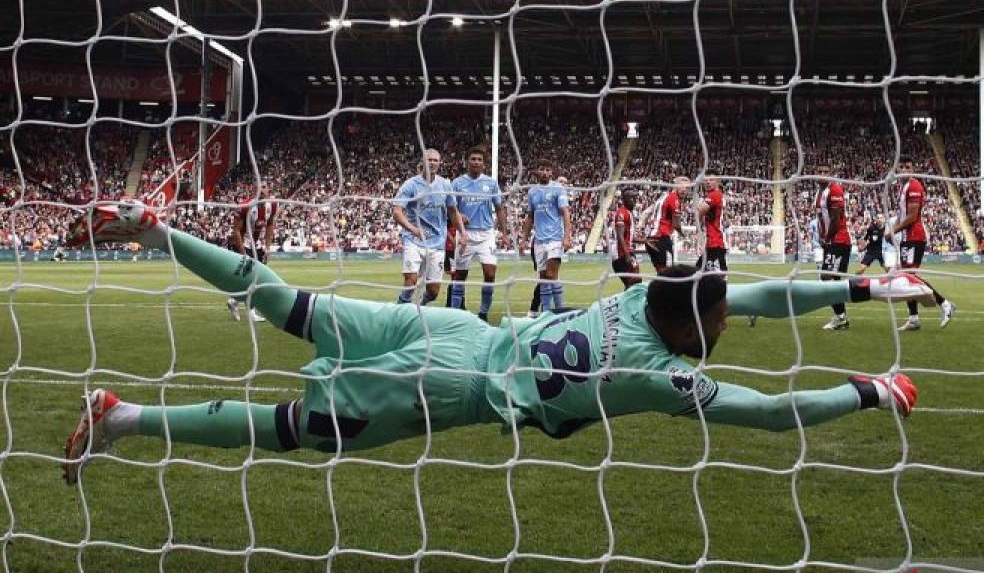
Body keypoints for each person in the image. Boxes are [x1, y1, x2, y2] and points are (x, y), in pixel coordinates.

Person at [61, 200, 931, 485]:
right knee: (293, 428)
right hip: (448, 389)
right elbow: (777, 415)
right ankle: (122, 416)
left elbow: (766, 293)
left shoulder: (640, 303)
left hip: (449, 325)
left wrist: (862, 285)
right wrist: (874, 388)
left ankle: (155, 232)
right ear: (694, 328)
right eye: (723, 317)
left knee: (287, 304)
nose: (731, 321)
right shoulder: (661, 376)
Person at [885, 156, 955, 331]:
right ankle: (914, 319)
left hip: (914, 237)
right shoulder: (903, 188)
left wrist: (894, 230)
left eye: (908, 167)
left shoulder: (914, 186)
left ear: (912, 169)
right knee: (906, 278)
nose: (905, 170)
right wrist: (891, 230)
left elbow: (912, 217)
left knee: (909, 277)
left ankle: (945, 304)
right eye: (902, 167)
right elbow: (902, 215)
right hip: (908, 238)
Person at [392, 149, 464, 305]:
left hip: (437, 243)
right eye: (429, 159)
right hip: (414, 240)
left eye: (435, 160)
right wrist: (413, 230)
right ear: (422, 162)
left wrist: (463, 234)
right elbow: (397, 212)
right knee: (410, 281)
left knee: (433, 292)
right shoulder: (411, 185)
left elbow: (453, 211)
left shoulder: (445, 185)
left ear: (440, 163)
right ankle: (399, 310)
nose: (432, 163)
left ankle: (419, 306)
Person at [448, 147, 507, 319]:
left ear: (484, 164)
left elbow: (499, 208)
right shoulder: (457, 183)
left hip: (486, 235)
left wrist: (504, 233)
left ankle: (483, 313)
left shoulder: (491, 183)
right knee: (460, 275)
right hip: (465, 234)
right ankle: (454, 314)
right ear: (467, 161)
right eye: (473, 159)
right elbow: (450, 209)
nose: (476, 162)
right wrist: (459, 216)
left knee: (490, 274)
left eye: (479, 160)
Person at [518, 160, 571, 313]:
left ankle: (559, 311)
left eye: (548, 170)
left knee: (551, 275)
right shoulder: (532, 192)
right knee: (543, 279)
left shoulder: (558, 189)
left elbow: (565, 213)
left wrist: (567, 237)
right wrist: (524, 240)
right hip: (539, 240)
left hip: (555, 239)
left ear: (551, 172)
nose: (545, 172)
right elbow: (530, 217)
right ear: (537, 171)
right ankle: (548, 313)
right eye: (542, 169)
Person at [226, 186, 278, 323]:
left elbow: (270, 225)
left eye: (265, 187)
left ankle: (234, 301)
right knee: (252, 278)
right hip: (244, 244)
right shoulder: (246, 205)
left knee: (257, 278)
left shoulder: (272, 205)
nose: (262, 190)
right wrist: (243, 253)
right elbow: (236, 230)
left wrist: (267, 247)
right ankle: (251, 312)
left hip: (258, 245)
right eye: (260, 186)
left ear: (269, 191)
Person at [815, 166, 852, 331]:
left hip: (838, 241)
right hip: (832, 242)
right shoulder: (819, 193)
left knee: (827, 277)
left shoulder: (834, 189)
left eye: (825, 172)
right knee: (835, 280)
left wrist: (827, 238)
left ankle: (840, 317)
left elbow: (836, 219)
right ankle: (841, 317)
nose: (822, 175)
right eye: (819, 172)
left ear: (831, 175)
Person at [641, 177, 689, 275]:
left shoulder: (663, 197)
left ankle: (658, 289)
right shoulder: (674, 199)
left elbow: (646, 212)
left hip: (651, 239)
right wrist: (683, 235)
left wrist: (641, 227)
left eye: (687, 188)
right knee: (669, 274)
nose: (685, 190)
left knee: (661, 273)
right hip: (661, 238)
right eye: (682, 187)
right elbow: (676, 225)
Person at [609, 188, 641, 289]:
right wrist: (627, 255)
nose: (634, 200)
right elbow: (620, 236)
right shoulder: (622, 213)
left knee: (634, 282)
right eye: (631, 198)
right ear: (624, 200)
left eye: (635, 198)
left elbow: (629, 237)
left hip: (626, 250)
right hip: (621, 253)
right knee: (634, 281)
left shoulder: (629, 213)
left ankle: (628, 302)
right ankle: (627, 302)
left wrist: (645, 241)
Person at [696, 178, 726, 273]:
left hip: (715, 242)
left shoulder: (714, 195)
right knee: (717, 271)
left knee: (700, 270)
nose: (708, 182)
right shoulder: (718, 197)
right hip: (715, 241)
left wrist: (698, 206)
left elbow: (700, 211)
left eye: (711, 180)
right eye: (706, 180)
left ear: (717, 182)